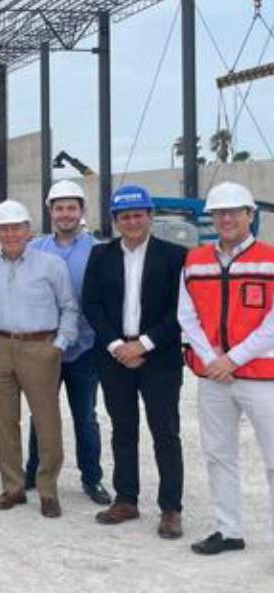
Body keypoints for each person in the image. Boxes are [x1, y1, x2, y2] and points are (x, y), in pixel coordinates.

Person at [82, 185, 186, 539]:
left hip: (160, 358)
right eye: (125, 216)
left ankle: (170, 508)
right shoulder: (100, 255)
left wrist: (143, 344)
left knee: (165, 433)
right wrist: (117, 346)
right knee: (123, 430)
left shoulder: (174, 256)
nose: (132, 222)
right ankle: (126, 499)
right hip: (114, 357)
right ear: (115, 220)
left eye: (139, 215)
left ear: (150, 216)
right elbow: (92, 304)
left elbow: (180, 310)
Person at [178, 182, 274, 556]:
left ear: (250, 215)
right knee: (218, 454)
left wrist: (233, 358)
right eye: (219, 213)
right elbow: (186, 315)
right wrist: (213, 360)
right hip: (214, 378)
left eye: (234, 212)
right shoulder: (195, 260)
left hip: (262, 376)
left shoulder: (269, 258)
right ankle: (228, 529)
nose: (226, 219)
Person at [0, 200, 79, 518]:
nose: (10, 234)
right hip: (0, 345)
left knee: (47, 423)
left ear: (29, 230)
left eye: (17, 228)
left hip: (40, 347)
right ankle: (13, 487)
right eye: (3, 229)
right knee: (5, 422)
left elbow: (69, 307)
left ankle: (47, 490)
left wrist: (59, 345)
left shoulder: (51, 265)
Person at [24, 180, 110, 506]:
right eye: (59, 208)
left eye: (71, 208)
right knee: (40, 414)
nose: (65, 214)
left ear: (82, 210)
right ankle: (34, 470)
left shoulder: (98, 250)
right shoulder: (36, 249)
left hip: (84, 348)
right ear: (50, 211)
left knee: (85, 416)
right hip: (44, 348)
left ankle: (92, 478)